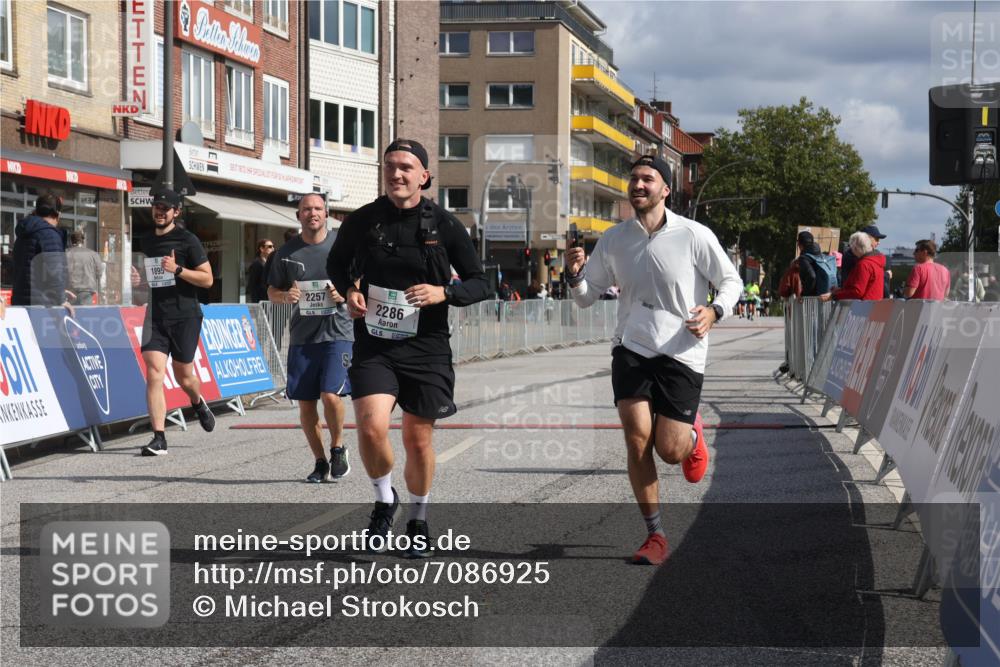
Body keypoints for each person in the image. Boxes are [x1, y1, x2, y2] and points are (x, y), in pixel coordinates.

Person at [565, 155, 742, 566]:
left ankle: (693, 437)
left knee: (670, 450)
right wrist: (574, 274)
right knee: (636, 438)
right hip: (631, 348)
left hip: (682, 351)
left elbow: (730, 280)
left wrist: (715, 311)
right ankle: (655, 535)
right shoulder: (614, 239)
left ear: (666, 189)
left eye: (648, 179)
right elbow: (587, 296)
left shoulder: (693, 234)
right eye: (633, 179)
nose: (638, 185)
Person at [327, 138, 491, 557]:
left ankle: (418, 518)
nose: (396, 174)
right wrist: (349, 290)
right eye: (389, 167)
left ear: (424, 176)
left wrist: (444, 293)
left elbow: (479, 282)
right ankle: (384, 500)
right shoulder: (363, 220)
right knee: (370, 426)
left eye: (405, 167)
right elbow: (336, 263)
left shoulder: (445, 225)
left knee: (418, 440)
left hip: (427, 347)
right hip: (375, 343)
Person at [268, 193, 354, 483]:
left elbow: (359, 283)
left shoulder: (342, 246)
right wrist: (284, 295)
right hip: (303, 337)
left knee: (330, 395)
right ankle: (320, 462)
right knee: (306, 404)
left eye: (317, 208)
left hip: (338, 332)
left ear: (326, 213)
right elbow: (272, 290)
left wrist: (344, 294)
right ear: (298, 216)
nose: (312, 213)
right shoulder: (286, 252)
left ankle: (338, 447)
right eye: (306, 209)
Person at [131, 189, 216, 456]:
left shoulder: (188, 240)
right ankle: (159, 437)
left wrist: (178, 269)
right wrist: (139, 282)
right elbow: (153, 280)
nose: (160, 211)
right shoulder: (145, 239)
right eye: (157, 206)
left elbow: (208, 279)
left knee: (184, 375)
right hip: (156, 314)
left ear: (176, 212)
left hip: (185, 314)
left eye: (165, 208)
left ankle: (198, 401)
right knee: (154, 371)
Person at [11, 193, 72, 309]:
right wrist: (61, 298)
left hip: (20, 300)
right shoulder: (49, 234)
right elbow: (54, 270)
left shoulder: (23, 234)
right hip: (41, 305)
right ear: (58, 214)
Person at [826, 231, 885, 301]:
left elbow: (857, 291)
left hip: (864, 308)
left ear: (856, 248)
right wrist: (841, 291)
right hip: (874, 306)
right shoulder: (876, 262)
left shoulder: (864, 264)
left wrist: (834, 296)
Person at [66, 231, 104, 305]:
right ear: (83, 241)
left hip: (70, 291)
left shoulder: (66, 253)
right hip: (87, 291)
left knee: (70, 315)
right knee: (85, 314)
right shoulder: (93, 254)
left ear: (71, 241)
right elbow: (99, 272)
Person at [246, 238, 273, 303]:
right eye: (270, 246)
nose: (272, 248)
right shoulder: (257, 264)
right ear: (262, 249)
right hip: (259, 299)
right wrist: (256, 301)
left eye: (273, 246)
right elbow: (252, 284)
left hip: (268, 298)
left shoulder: (269, 263)